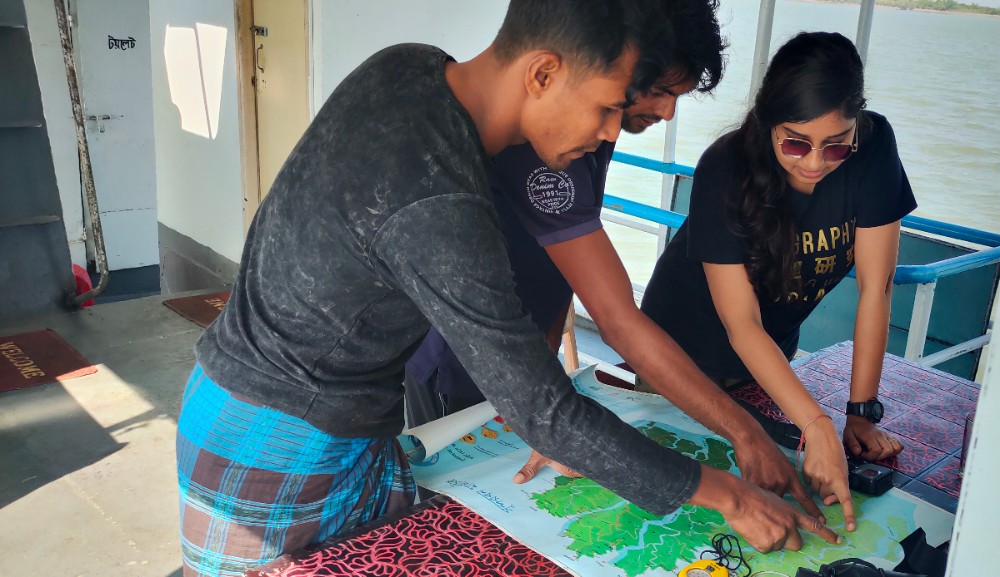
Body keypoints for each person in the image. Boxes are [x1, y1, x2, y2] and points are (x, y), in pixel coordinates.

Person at [175, 2, 836, 575]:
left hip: (275, 407)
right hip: (273, 454)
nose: (611, 131)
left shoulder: (409, 66)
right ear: (542, 73)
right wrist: (729, 495)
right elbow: (546, 413)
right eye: (608, 107)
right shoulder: (440, 199)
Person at [401, 0, 854, 532]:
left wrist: (548, 386)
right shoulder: (547, 140)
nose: (667, 113)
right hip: (461, 365)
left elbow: (556, 268)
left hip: (528, 360)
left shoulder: (596, 128)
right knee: (463, 524)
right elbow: (616, 320)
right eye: (658, 90)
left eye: (678, 96)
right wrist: (744, 436)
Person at [641, 31, 915, 515]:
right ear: (769, 123)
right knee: (683, 508)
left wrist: (860, 414)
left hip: (768, 367)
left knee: (775, 500)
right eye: (795, 143)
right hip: (681, 359)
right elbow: (741, 322)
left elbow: (877, 287)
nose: (814, 163)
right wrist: (817, 424)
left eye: (836, 147)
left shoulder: (874, 147)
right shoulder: (725, 167)